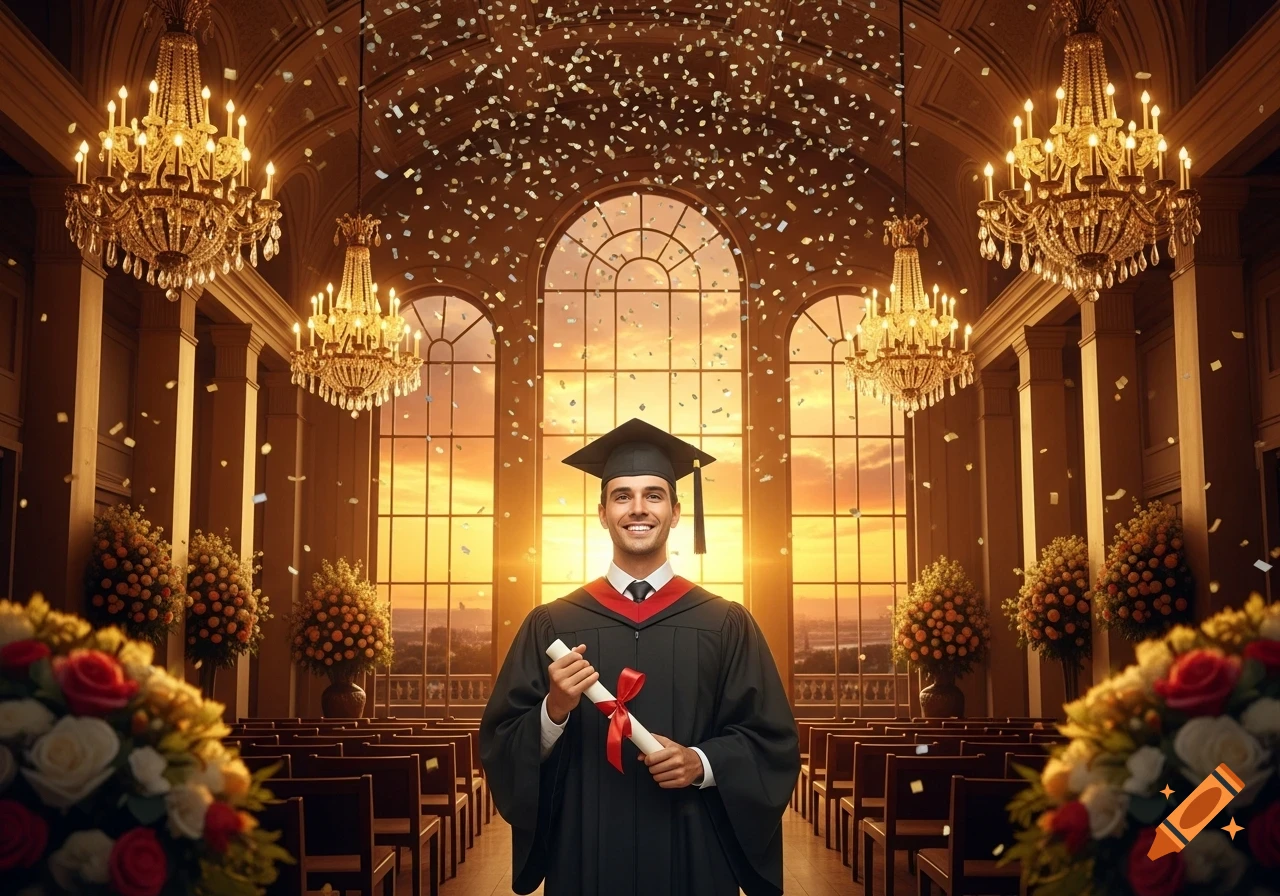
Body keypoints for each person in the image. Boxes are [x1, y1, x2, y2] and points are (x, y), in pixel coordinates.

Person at [480, 418, 800, 896]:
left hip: (693, 847)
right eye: (622, 496)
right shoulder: (552, 623)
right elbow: (502, 742)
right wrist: (553, 711)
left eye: (653, 495)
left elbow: (771, 741)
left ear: (675, 511)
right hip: (584, 847)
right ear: (602, 513)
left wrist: (701, 762)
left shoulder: (725, 623)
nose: (638, 509)